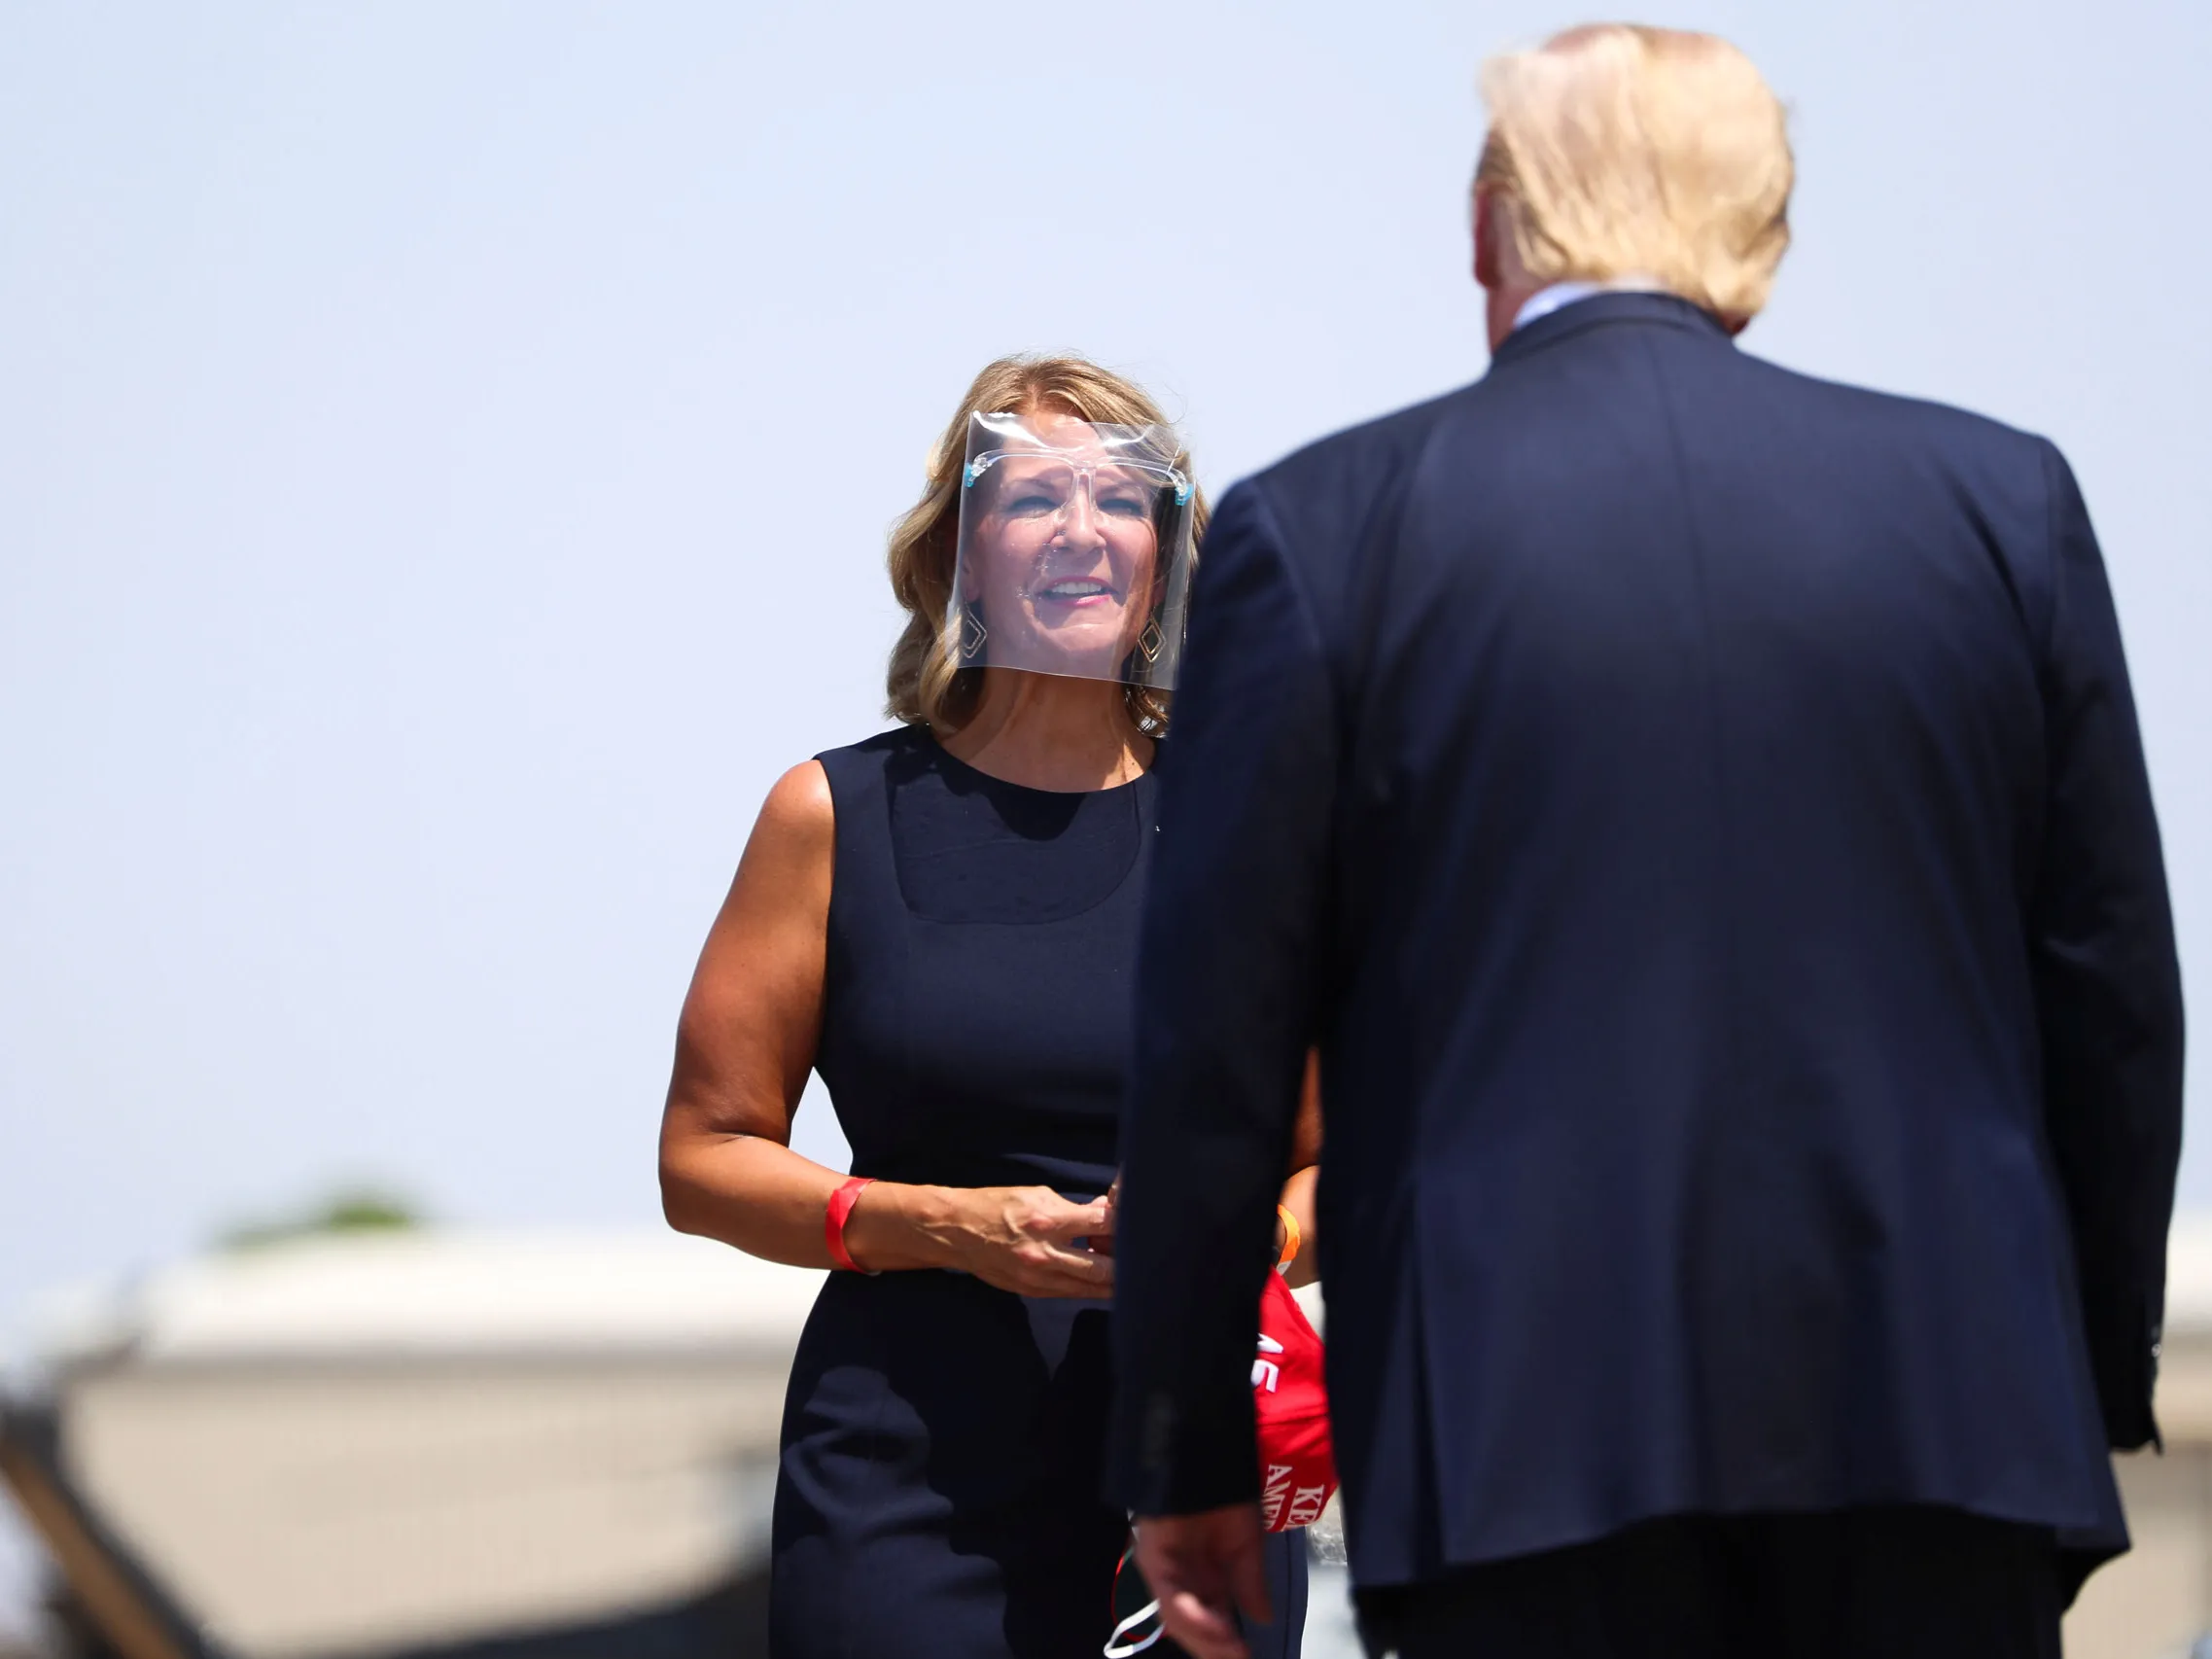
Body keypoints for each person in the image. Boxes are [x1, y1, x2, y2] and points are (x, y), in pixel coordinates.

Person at [1106, 23, 2183, 1659]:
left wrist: (1185, 1443)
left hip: (1520, 1437)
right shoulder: (1999, 505)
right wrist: (2081, 1367)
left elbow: (1213, 1049)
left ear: (1490, 226)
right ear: (1765, 236)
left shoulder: (1321, 533)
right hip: (1946, 1417)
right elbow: (2110, 993)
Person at [658, 354, 1317, 1659]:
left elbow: (1330, 1157)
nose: (1080, 531)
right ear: (960, 551)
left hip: (1189, 1473)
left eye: (1120, 499)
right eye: (1032, 498)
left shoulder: (1255, 823)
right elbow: (702, 1157)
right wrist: (944, 1225)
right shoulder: (829, 816)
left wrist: (1235, 1233)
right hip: (902, 1479)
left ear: (1167, 549)